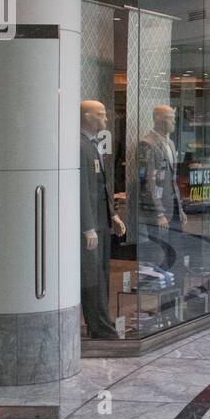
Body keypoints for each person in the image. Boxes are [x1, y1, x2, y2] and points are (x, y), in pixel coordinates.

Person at [79, 100, 126, 339]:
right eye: (101, 115)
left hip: (102, 222)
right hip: (91, 225)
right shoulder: (80, 146)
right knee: (92, 276)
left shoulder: (94, 145)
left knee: (102, 273)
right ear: (88, 117)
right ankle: (98, 326)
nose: (106, 120)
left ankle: (103, 322)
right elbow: (82, 190)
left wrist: (114, 214)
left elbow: (102, 186)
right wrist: (87, 226)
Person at [139, 105, 188, 291]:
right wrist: (158, 213)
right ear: (159, 119)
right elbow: (148, 182)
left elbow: (172, 179)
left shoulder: (171, 143)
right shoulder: (148, 143)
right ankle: (165, 295)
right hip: (160, 211)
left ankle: (177, 295)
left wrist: (180, 208)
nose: (174, 122)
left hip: (172, 205)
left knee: (177, 250)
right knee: (162, 251)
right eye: (170, 118)